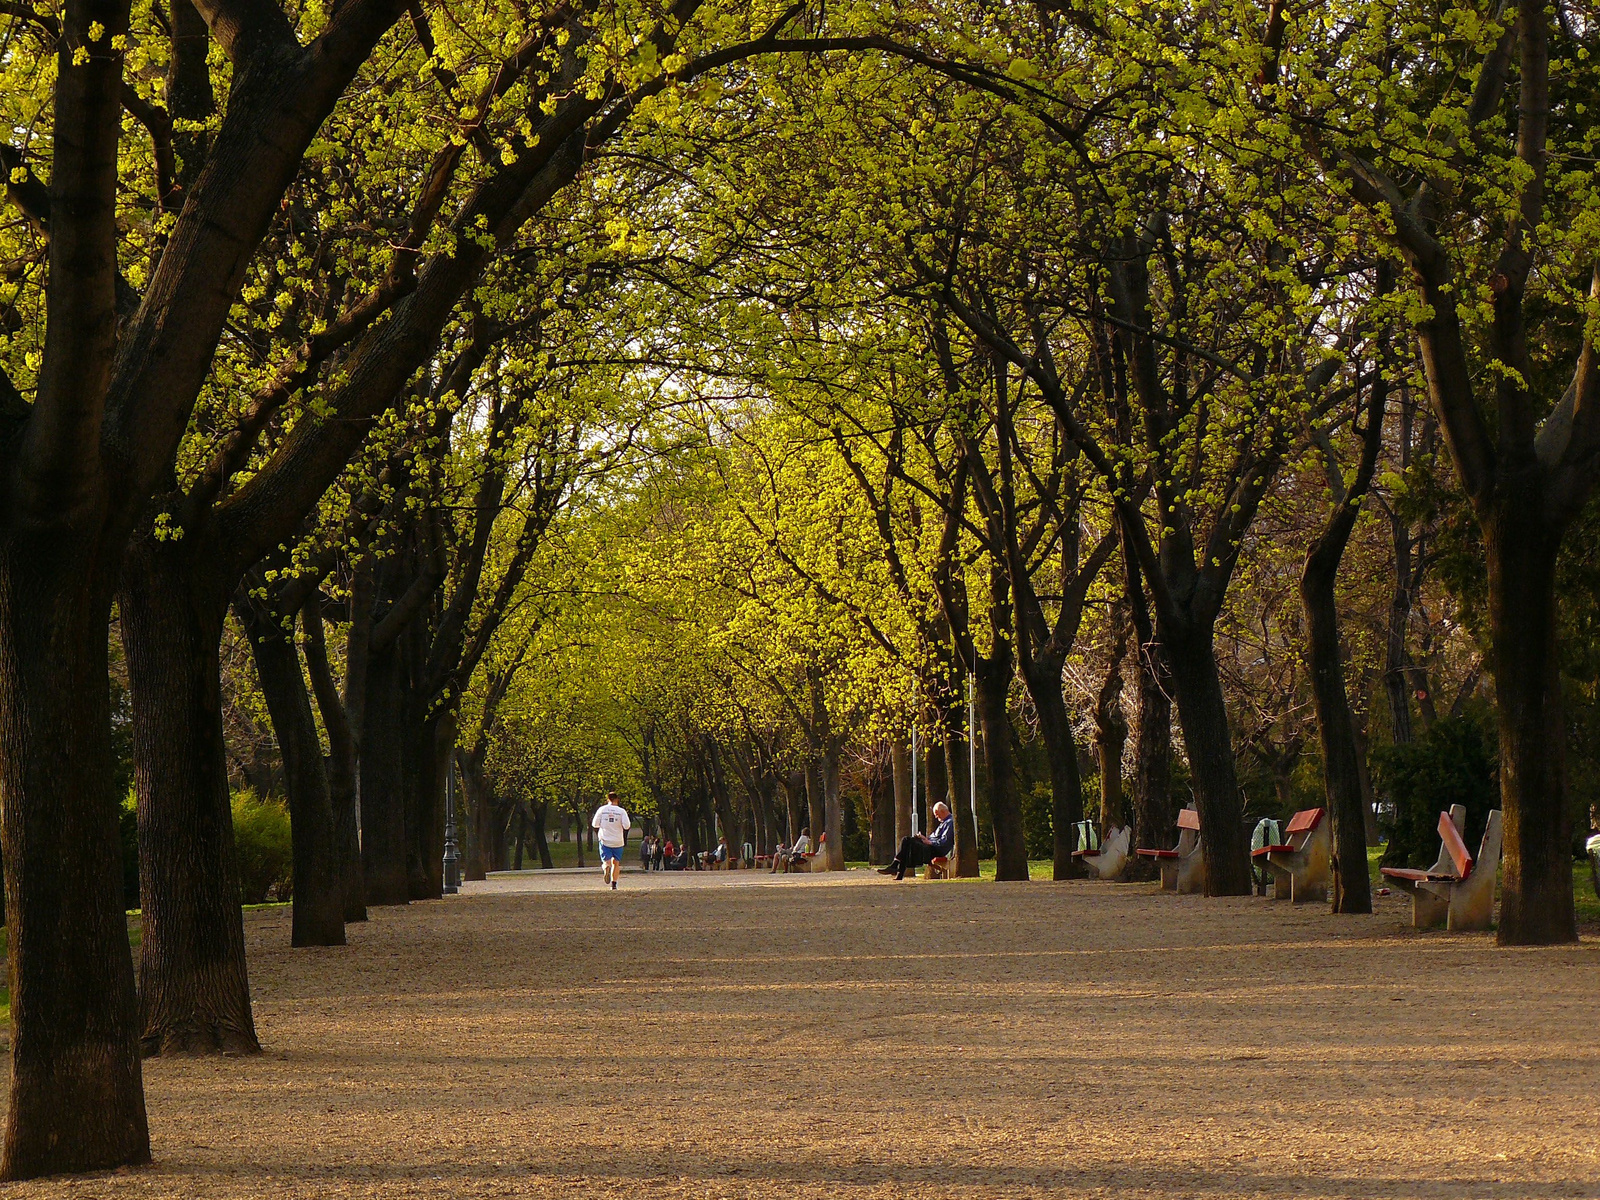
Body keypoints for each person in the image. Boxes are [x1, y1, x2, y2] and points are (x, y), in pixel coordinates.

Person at [880, 801, 954, 880]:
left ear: (943, 811)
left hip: (936, 850)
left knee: (907, 841)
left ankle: (896, 867)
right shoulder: (944, 822)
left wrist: (930, 842)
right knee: (907, 842)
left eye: (936, 813)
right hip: (931, 846)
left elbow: (944, 842)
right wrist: (924, 838)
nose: (936, 817)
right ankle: (898, 871)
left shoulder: (949, 822)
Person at [591, 791, 631, 890]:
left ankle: (606, 868)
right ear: (617, 799)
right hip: (618, 841)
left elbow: (595, 824)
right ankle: (614, 884)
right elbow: (627, 826)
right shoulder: (621, 811)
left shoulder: (602, 809)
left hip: (605, 840)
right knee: (616, 863)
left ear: (608, 799)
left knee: (606, 861)